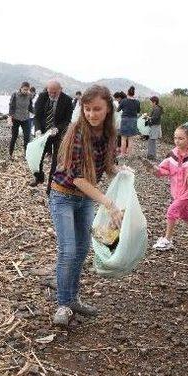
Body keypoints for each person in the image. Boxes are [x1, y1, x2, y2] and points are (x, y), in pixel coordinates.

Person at [49, 85, 126, 325]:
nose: (91, 114)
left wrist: (120, 173)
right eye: (87, 109)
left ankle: (73, 298)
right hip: (62, 195)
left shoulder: (109, 133)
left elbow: (107, 166)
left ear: (108, 109)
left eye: (97, 109)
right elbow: (78, 178)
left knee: (82, 251)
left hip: (84, 199)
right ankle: (63, 305)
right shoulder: (77, 132)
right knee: (68, 250)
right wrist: (107, 202)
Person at [144, 123, 188, 251]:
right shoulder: (171, 154)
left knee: (171, 211)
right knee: (185, 214)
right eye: (175, 138)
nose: (177, 141)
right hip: (176, 191)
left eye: (181, 138)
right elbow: (163, 170)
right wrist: (154, 169)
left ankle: (167, 240)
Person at [31, 80, 73, 191]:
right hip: (43, 132)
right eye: (50, 92)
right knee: (39, 155)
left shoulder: (67, 100)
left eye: (55, 93)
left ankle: (50, 185)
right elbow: (37, 116)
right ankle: (39, 177)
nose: (52, 95)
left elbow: (67, 120)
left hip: (58, 133)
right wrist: (38, 129)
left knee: (55, 160)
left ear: (61, 90)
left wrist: (57, 128)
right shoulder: (42, 96)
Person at [8, 81, 34, 158]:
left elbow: (30, 107)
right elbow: (11, 106)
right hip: (15, 118)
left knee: (27, 137)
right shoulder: (15, 95)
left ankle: (26, 155)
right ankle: (10, 154)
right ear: (21, 88)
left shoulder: (30, 95)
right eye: (24, 89)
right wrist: (10, 117)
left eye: (27, 90)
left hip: (26, 119)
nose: (26, 91)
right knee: (14, 137)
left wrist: (37, 112)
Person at [116, 86, 141, 157]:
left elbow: (118, 110)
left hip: (125, 120)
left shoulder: (124, 101)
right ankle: (129, 154)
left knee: (123, 138)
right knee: (130, 139)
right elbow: (138, 111)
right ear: (133, 94)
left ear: (127, 93)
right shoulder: (137, 102)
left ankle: (122, 154)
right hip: (133, 120)